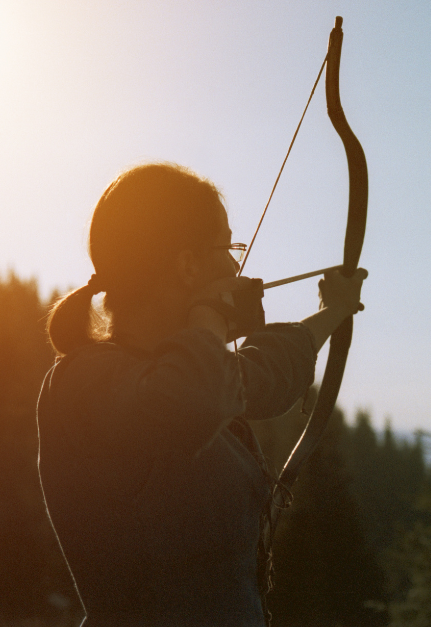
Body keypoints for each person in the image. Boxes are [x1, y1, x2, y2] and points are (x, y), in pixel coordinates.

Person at [36, 163, 367, 627]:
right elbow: (192, 400)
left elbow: (259, 373)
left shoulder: (178, 370)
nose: (236, 265)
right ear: (188, 265)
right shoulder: (84, 380)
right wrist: (208, 316)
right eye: (227, 246)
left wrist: (332, 312)